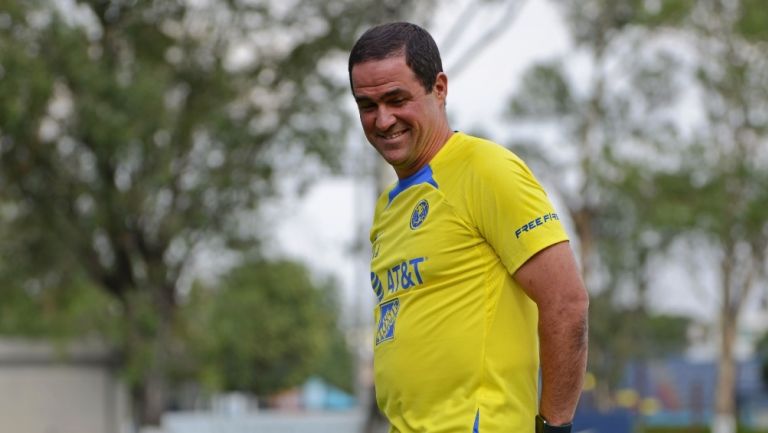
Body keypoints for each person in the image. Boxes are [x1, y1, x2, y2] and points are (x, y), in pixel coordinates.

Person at [348, 22, 589, 433]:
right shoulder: (387, 207)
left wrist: (555, 428)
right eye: (367, 105)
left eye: (396, 99)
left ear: (439, 88)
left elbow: (567, 302)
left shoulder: (486, 169)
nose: (383, 120)